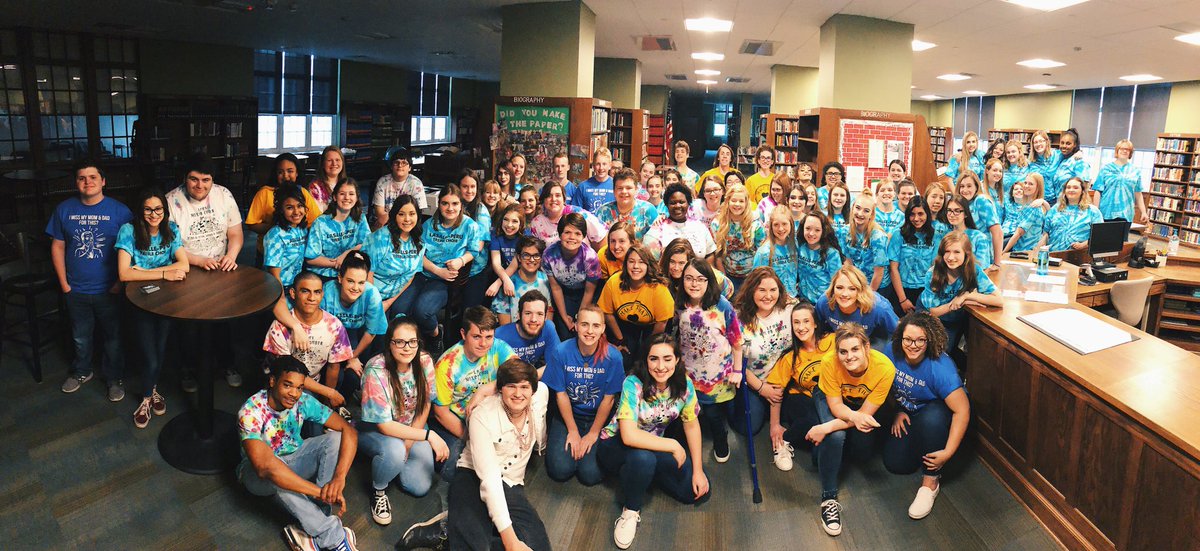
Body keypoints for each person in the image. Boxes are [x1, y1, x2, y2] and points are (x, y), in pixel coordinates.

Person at [595, 333, 710, 550]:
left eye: (667, 359)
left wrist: (698, 470)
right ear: (645, 360)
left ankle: (640, 477)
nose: (660, 366)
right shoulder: (633, 383)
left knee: (693, 491)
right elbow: (629, 436)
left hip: (653, 445)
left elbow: (692, 425)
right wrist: (674, 445)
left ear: (677, 360)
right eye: (653, 358)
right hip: (615, 444)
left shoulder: (685, 384)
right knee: (643, 459)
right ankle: (631, 510)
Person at [237, 355, 359, 551]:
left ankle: (316, 520)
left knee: (336, 438)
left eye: (299, 387)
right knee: (277, 471)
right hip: (257, 475)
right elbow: (265, 468)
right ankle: (333, 537)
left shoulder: (302, 401)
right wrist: (321, 492)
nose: (294, 393)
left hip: (294, 459)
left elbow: (349, 431)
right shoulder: (251, 411)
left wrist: (339, 478)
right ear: (272, 381)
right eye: (287, 385)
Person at [446, 358, 551, 551]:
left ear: (533, 390)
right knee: (476, 546)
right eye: (511, 386)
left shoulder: (541, 394)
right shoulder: (482, 415)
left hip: (511, 482)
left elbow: (540, 377)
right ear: (500, 389)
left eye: (524, 387)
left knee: (539, 547)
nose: (518, 394)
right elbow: (490, 478)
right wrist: (510, 541)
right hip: (473, 474)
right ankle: (453, 530)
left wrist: (485, 388)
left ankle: (452, 530)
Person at [50, 159, 133, 398]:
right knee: (80, 335)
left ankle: (114, 378)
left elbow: (131, 250)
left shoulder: (120, 211)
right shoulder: (64, 209)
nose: (87, 182)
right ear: (76, 182)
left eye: (93, 177)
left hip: (110, 289)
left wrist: (119, 283)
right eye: (82, 178)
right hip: (75, 289)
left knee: (113, 337)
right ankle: (81, 371)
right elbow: (57, 246)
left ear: (103, 181)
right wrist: (64, 284)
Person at [807, 323, 896, 537]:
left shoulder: (884, 368)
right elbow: (837, 407)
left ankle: (824, 452)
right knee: (837, 436)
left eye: (855, 349)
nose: (849, 356)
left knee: (861, 450)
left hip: (860, 404)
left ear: (866, 347)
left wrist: (824, 427)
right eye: (843, 351)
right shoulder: (829, 362)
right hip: (831, 397)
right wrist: (837, 426)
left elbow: (865, 413)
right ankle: (828, 498)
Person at [165, 154, 245, 388]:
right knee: (188, 325)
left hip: (220, 267)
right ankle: (187, 370)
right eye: (194, 180)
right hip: (186, 267)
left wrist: (231, 255)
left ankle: (227, 364)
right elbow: (170, 245)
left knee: (223, 322)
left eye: (206, 180)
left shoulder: (224, 194)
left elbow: (236, 233)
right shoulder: (171, 200)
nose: (200, 186)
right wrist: (198, 261)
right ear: (184, 179)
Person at [359, 318, 448, 525]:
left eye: (412, 342)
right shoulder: (376, 370)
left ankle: (390, 463)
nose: (406, 348)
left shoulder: (425, 361)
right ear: (389, 343)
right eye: (399, 342)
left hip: (411, 427)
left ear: (419, 343)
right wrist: (428, 435)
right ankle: (378, 489)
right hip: (378, 430)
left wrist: (409, 442)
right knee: (395, 451)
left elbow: (425, 403)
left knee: (419, 486)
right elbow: (384, 425)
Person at [882, 312, 971, 520]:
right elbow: (883, 386)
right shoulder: (891, 351)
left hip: (938, 413)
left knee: (932, 418)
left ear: (929, 340)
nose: (913, 345)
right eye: (908, 339)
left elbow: (962, 410)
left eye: (920, 340)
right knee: (896, 464)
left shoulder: (940, 369)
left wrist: (948, 452)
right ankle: (921, 445)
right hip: (909, 411)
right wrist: (898, 410)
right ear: (900, 338)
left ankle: (931, 481)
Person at [116, 186, 188, 427]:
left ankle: (151, 390)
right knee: (150, 354)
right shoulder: (129, 230)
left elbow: (184, 266)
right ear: (140, 211)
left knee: (159, 349)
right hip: (138, 299)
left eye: (158, 209)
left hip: (166, 298)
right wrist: (167, 272)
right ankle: (147, 397)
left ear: (165, 211)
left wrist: (147, 272)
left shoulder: (171, 228)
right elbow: (124, 274)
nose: (154, 214)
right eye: (148, 209)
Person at [543, 305, 624, 485]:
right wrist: (572, 430)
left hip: (598, 418)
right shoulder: (561, 352)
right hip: (568, 415)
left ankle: (588, 447)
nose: (589, 331)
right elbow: (561, 395)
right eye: (585, 324)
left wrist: (593, 433)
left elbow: (609, 399)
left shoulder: (613, 356)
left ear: (603, 329)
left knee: (590, 475)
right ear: (576, 326)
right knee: (560, 470)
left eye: (596, 326)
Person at [676, 259, 743, 463]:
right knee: (688, 411)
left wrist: (737, 371)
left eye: (700, 279)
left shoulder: (722, 305)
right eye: (689, 278)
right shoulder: (679, 304)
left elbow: (737, 340)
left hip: (717, 375)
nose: (694, 284)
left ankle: (720, 438)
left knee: (714, 414)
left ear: (709, 281)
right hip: (688, 372)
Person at [263, 271, 354, 413]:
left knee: (344, 377)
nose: (312, 298)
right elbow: (287, 374)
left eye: (317, 292)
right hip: (286, 383)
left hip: (315, 380)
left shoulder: (334, 325)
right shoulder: (279, 327)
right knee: (310, 417)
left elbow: (333, 367)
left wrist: (326, 403)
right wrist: (330, 393)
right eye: (305, 291)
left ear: (322, 295)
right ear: (293, 293)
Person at [764, 302, 834, 471]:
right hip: (801, 397)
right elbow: (776, 391)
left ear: (815, 323)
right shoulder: (790, 357)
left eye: (806, 321)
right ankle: (784, 441)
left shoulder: (832, 341)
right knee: (815, 420)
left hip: (832, 397)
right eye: (796, 322)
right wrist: (775, 425)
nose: (801, 327)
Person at [410, 185, 483, 346]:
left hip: (444, 281)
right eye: (445, 203)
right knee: (400, 309)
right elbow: (418, 253)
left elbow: (474, 250)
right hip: (422, 273)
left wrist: (461, 261)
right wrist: (437, 270)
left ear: (461, 205)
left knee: (422, 312)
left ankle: (436, 334)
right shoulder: (429, 225)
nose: (450, 208)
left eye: (455, 203)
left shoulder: (470, 226)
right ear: (439, 204)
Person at [318, 250, 387, 403]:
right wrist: (345, 358)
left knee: (355, 374)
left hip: (361, 332)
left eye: (361, 282)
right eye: (350, 281)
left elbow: (371, 333)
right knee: (336, 374)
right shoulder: (327, 292)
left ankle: (344, 401)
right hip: (331, 336)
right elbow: (322, 331)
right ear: (340, 278)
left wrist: (352, 357)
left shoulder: (372, 294)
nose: (356, 287)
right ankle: (327, 401)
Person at [731, 267, 793, 436]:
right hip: (754, 380)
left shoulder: (789, 310)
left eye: (773, 290)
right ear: (752, 290)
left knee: (794, 417)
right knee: (748, 428)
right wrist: (761, 389)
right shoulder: (738, 318)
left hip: (784, 378)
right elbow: (736, 363)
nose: (768, 296)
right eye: (762, 290)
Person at [919, 231, 1004, 351]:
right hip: (932, 315)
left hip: (956, 317)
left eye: (957, 252)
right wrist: (956, 302)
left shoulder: (974, 270)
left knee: (952, 348)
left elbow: (999, 300)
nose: (951, 257)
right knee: (936, 349)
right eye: (947, 252)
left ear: (966, 254)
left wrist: (966, 296)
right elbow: (933, 312)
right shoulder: (932, 274)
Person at [598, 244, 674, 368]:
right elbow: (607, 313)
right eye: (631, 261)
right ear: (625, 264)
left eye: (641, 262)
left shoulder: (659, 289)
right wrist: (620, 340)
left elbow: (662, 323)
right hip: (624, 324)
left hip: (652, 327)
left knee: (645, 361)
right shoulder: (614, 282)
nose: (635, 266)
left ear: (648, 265)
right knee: (624, 359)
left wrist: (648, 347)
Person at [244, 153, 323, 258]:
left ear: (297, 173)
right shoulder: (265, 193)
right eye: (280, 172)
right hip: (270, 249)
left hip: (298, 248)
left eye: (290, 171)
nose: (286, 176)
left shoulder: (303, 192)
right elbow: (251, 224)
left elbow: (315, 221)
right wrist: (279, 229)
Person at [365, 195, 424, 319]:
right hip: (372, 292)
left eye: (412, 214)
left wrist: (389, 302)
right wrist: (375, 302)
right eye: (401, 214)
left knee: (398, 317)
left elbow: (409, 276)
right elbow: (367, 273)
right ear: (394, 216)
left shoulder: (419, 242)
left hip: (396, 293)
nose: (407, 219)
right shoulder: (381, 238)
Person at [543, 213, 602, 337]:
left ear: (583, 236)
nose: (572, 237)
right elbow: (555, 288)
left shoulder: (590, 257)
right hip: (564, 292)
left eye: (577, 233)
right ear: (560, 234)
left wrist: (580, 317)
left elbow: (589, 292)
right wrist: (565, 317)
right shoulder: (549, 255)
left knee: (583, 327)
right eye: (567, 232)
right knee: (566, 331)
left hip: (586, 293)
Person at [815, 265, 899, 343]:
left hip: (872, 343)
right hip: (839, 342)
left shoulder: (879, 308)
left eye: (852, 289)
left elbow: (898, 335)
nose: (844, 294)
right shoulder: (824, 302)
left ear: (860, 290)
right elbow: (816, 328)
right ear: (833, 288)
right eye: (839, 288)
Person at [305, 179, 370, 279]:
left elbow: (367, 244)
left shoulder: (360, 218)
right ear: (335, 197)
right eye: (342, 194)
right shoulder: (320, 222)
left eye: (351, 194)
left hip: (351, 274)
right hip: (323, 275)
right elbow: (311, 258)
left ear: (357, 198)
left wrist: (346, 254)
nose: (347, 197)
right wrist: (339, 262)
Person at [887, 196, 938, 317]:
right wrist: (903, 300)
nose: (916, 218)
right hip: (901, 291)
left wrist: (928, 298)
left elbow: (935, 268)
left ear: (927, 214)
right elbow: (893, 268)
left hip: (925, 292)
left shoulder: (935, 236)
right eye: (912, 214)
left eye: (920, 214)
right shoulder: (898, 235)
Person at [713, 183, 766, 288]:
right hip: (728, 275)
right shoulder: (717, 224)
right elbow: (718, 255)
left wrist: (755, 278)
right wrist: (725, 280)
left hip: (752, 275)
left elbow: (761, 253)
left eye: (741, 201)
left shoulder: (755, 224)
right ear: (727, 201)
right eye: (733, 200)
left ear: (747, 203)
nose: (737, 204)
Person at [644, 183, 717, 260]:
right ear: (666, 205)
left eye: (681, 202)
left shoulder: (700, 227)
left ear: (688, 203)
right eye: (673, 203)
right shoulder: (657, 231)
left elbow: (710, 254)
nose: (677, 206)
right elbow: (651, 264)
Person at [490, 235, 552, 325]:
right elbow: (505, 327)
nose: (531, 259)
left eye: (536, 255)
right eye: (526, 255)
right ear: (519, 258)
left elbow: (548, 320)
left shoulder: (547, 281)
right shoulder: (508, 284)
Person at [838, 191, 890, 292]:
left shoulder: (878, 237)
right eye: (857, 208)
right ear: (852, 208)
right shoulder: (844, 231)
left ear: (871, 214)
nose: (860, 214)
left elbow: (879, 272)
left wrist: (868, 294)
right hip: (857, 283)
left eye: (866, 211)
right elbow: (848, 262)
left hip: (877, 286)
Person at [495, 291, 561, 371]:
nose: (533, 319)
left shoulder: (548, 328)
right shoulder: (499, 335)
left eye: (539, 314)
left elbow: (556, 363)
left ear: (545, 316)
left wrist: (532, 378)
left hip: (534, 377)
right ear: (519, 315)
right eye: (528, 313)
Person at [528, 181, 606, 249]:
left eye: (558, 195)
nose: (553, 199)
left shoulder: (579, 214)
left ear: (564, 199)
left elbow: (601, 236)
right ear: (543, 199)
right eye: (549, 196)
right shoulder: (537, 223)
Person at [264, 184, 313, 292]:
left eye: (300, 206)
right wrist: (280, 298)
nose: (296, 212)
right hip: (280, 288)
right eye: (289, 207)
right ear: (281, 210)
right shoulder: (275, 235)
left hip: (298, 286)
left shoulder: (302, 229)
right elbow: (274, 275)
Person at [458, 171, 495, 309]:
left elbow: (479, 246)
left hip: (475, 270)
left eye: (473, 187)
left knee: (469, 311)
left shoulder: (481, 210)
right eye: (465, 186)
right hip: (454, 269)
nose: (469, 190)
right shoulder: (454, 206)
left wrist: (458, 259)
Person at [661, 238, 735, 305]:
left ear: (689, 261)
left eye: (681, 263)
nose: (676, 268)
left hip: (723, 292)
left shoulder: (701, 274)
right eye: (672, 262)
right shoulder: (662, 274)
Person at [594, 167, 660, 241]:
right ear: (614, 191)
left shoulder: (648, 210)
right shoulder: (603, 212)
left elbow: (657, 241)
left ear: (636, 190)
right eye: (620, 188)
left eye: (628, 188)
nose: (624, 192)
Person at [1041, 177, 1105, 252]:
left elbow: (1099, 235)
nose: (1071, 190)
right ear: (1064, 191)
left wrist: (1083, 245)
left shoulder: (1093, 211)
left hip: (1078, 255)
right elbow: (1046, 232)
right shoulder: (1055, 209)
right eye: (1068, 187)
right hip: (1053, 254)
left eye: (1075, 188)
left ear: (1082, 191)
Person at [1092, 138, 1148, 223]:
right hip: (1106, 211)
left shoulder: (1135, 171)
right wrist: (1095, 211)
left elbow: (1138, 193)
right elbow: (1098, 191)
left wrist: (1143, 212)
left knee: (1122, 236)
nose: (1124, 151)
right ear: (1117, 151)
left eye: (1127, 149)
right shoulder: (1106, 169)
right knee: (1104, 236)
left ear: (1130, 153)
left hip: (1126, 213)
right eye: (1122, 148)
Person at [956, 170, 1003, 271]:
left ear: (976, 187)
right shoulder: (960, 204)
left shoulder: (981, 201)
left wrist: (997, 263)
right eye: (962, 186)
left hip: (982, 258)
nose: (965, 190)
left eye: (969, 186)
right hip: (963, 257)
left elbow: (998, 232)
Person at [753, 205, 801, 299]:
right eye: (776, 225)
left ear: (791, 224)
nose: (780, 229)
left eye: (784, 224)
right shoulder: (764, 252)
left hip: (793, 297)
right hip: (772, 300)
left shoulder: (795, 245)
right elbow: (755, 281)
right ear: (771, 226)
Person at [796, 211, 844, 305]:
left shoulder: (832, 254)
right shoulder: (800, 247)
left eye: (817, 230)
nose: (811, 233)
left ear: (823, 231)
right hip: (802, 301)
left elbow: (837, 283)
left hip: (823, 304)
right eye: (808, 228)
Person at [372, 149, 427, 228]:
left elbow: (417, 213)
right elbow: (379, 213)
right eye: (396, 163)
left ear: (410, 168)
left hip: (407, 223)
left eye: (404, 163)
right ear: (391, 166)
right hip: (386, 223)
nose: (400, 165)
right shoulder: (383, 182)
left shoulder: (416, 184)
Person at [1002, 172, 1051, 254]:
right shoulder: (1026, 205)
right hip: (1021, 251)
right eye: (1025, 183)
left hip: (1025, 253)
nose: (1026, 186)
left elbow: (1018, 233)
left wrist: (1003, 252)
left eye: (1031, 184)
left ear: (1037, 188)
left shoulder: (1033, 208)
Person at [485, 204, 524, 304]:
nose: (509, 225)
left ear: (521, 224)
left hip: (519, 273)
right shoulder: (496, 234)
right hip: (501, 272)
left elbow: (514, 265)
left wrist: (498, 283)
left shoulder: (524, 237)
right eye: (506, 219)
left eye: (515, 221)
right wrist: (505, 280)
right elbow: (496, 263)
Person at [943, 196, 993, 269]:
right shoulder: (944, 236)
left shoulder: (979, 237)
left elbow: (982, 268)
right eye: (949, 210)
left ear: (966, 214)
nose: (952, 214)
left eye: (957, 211)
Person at [1044, 128, 1090, 206]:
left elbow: (1084, 187)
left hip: (1072, 205)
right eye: (1062, 143)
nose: (1064, 146)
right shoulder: (1060, 158)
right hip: (1058, 204)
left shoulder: (1079, 163)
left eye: (1068, 143)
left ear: (1074, 145)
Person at [568, 147, 615, 212]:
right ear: (593, 166)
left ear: (610, 165)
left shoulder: (616, 186)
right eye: (598, 164)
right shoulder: (583, 187)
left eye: (604, 164)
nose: (601, 168)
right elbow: (575, 213)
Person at [309, 145, 354, 213]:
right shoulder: (315, 188)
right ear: (323, 164)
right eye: (329, 160)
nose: (334, 163)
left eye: (337, 160)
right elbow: (317, 217)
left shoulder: (348, 185)